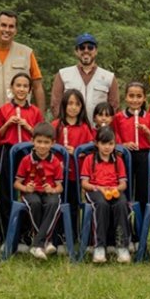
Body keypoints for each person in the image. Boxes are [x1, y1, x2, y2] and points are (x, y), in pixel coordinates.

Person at [0, 73, 45, 244]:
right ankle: (5, 237)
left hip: (28, 153)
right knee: (7, 193)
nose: (21, 89)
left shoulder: (35, 111)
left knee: (28, 191)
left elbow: (41, 136)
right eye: (18, 85)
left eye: (25, 86)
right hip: (8, 152)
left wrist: (27, 126)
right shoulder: (4, 109)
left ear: (30, 90)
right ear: (12, 88)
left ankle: (25, 236)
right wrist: (8, 123)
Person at [80, 127, 131, 264]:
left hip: (114, 191)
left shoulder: (118, 161)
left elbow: (123, 184)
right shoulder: (90, 160)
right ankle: (99, 246)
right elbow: (84, 183)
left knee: (121, 204)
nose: (107, 147)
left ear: (115, 144)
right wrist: (99, 188)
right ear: (97, 143)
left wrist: (115, 188)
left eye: (110, 144)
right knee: (101, 205)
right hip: (95, 191)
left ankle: (122, 246)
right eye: (104, 144)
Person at [13, 122, 64, 260]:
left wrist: (53, 189)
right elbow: (16, 183)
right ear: (32, 141)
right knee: (34, 204)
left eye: (46, 142)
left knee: (54, 203)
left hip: (48, 193)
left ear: (53, 143)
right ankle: (45, 242)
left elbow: (60, 187)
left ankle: (37, 244)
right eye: (39, 142)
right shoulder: (26, 160)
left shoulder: (55, 162)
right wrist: (25, 188)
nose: (42, 145)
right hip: (31, 193)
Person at [51, 89, 94, 247]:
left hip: (76, 174)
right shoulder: (56, 125)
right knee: (58, 204)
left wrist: (76, 151)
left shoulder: (84, 127)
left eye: (77, 104)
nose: (73, 107)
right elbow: (47, 148)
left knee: (74, 204)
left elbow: (90, 150)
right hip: (58, 175)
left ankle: (73, 236)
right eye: (70, 103)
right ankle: (57, 238)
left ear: (82, 107)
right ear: (64, 105)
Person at [50, 33, 120, 125]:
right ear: (76, 51)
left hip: (99, 132)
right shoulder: (63, 74)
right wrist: (63, 125)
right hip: (70, 130)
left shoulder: (109, 77)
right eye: (82, 47)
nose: (86, 50)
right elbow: (56, 104)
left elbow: (114, 107)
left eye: (90, 47)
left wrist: (106, 129)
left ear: (96, 51)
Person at [113, 82, 150, 208]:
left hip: (144, 156)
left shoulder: (149, 117)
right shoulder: (119, 117)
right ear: (126, 97)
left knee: (144, 190)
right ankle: (125, 219)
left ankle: (142, 222)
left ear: (144, 98)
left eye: (139, 96)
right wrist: (124, 145)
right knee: (126, 188)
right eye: (131, 96)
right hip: (126, 156)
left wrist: (148, 133)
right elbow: (115, 140)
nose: (135, 100)